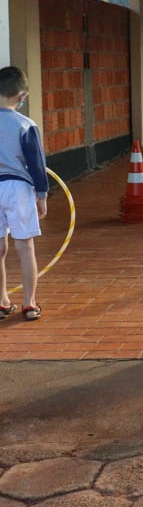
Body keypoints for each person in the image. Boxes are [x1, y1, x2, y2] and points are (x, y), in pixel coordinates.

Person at [0, 66, 48, 321]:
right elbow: (36, 163)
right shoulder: (26, 124)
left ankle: (2, 301)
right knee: (25, 247)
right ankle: (29, 303)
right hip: (17, 188)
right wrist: (42, 195)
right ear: (22, 96)